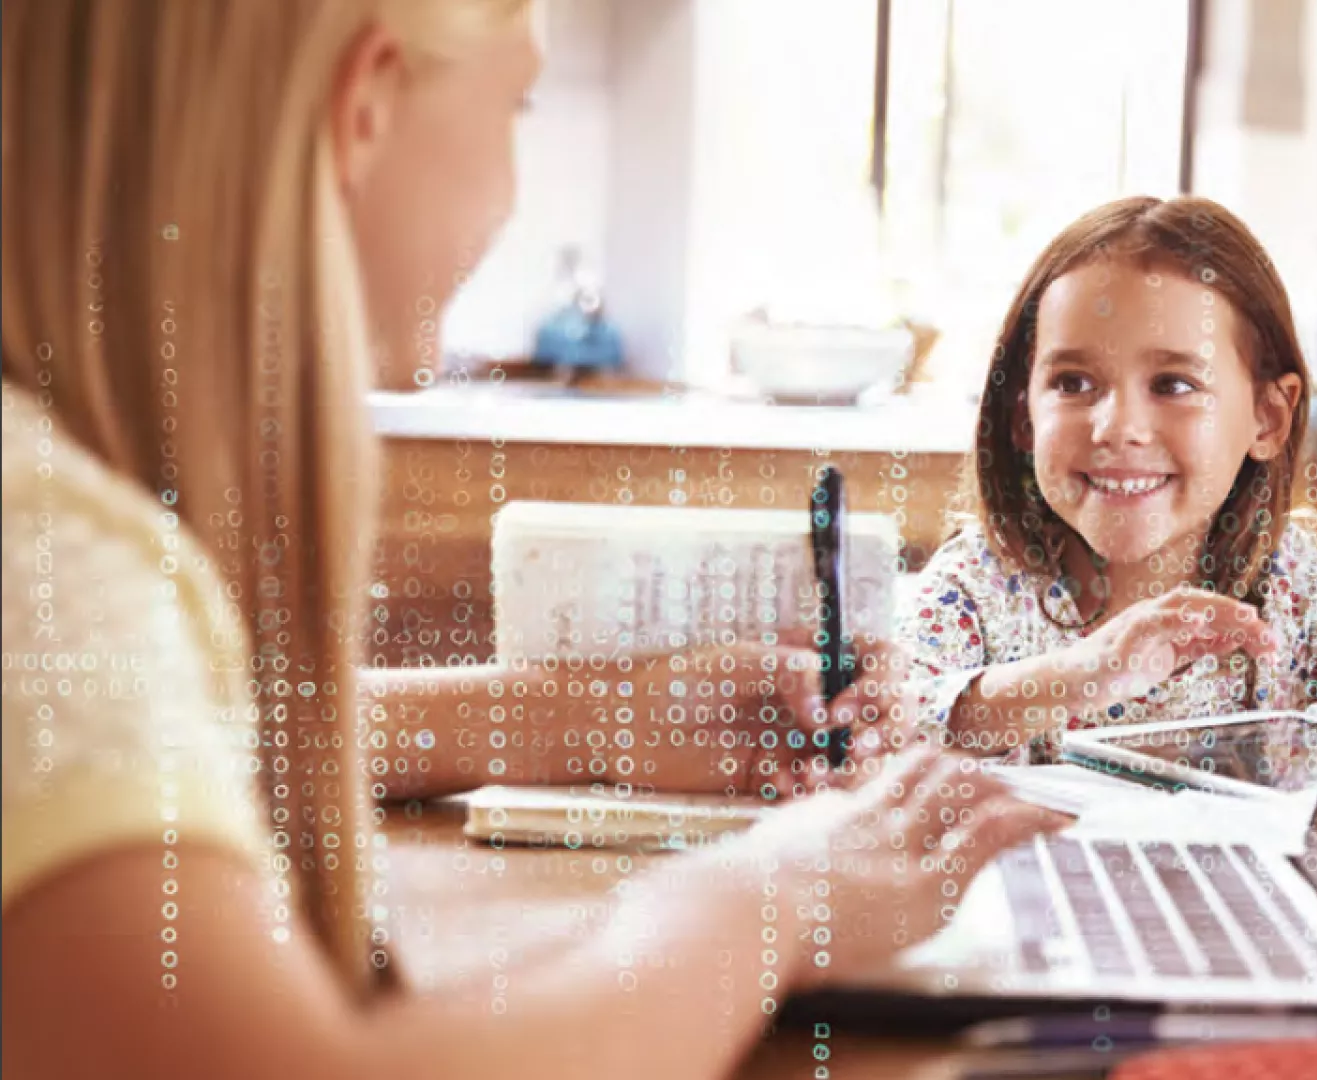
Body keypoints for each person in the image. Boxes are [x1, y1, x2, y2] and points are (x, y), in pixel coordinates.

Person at [0, 4, 1060, 1079]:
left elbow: (175, 736)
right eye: (517, 104)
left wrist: (595, 719)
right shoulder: (43, 546)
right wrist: (774, 899)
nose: (512, 190)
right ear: (364, 104)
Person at [898, 195, 1317, 950]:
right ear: (1022, 415)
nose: (1117, 427)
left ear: (1268, 419)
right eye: (1073, 383)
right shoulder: (977, 588)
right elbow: (870, 736)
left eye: (1174, 384)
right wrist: (1078, 675)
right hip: (1019, 960)